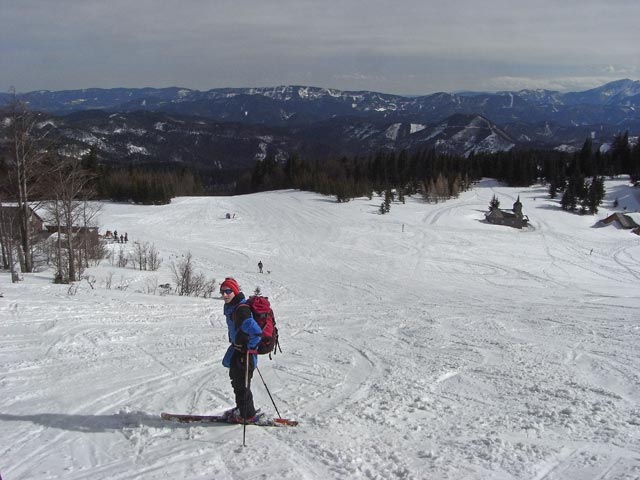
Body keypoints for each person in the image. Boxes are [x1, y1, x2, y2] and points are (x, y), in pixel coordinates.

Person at [219, 277, 263, 423]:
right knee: (237, 380)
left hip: (245, 354)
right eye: (222, 291)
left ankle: (247, 415)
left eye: (228, 291)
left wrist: (248, 347)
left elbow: (256, 332)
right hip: (238, 351)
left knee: (242, 385)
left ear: (235, 291)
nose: (224, 295)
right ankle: (241, 408)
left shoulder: (241, 310)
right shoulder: (232, 306)